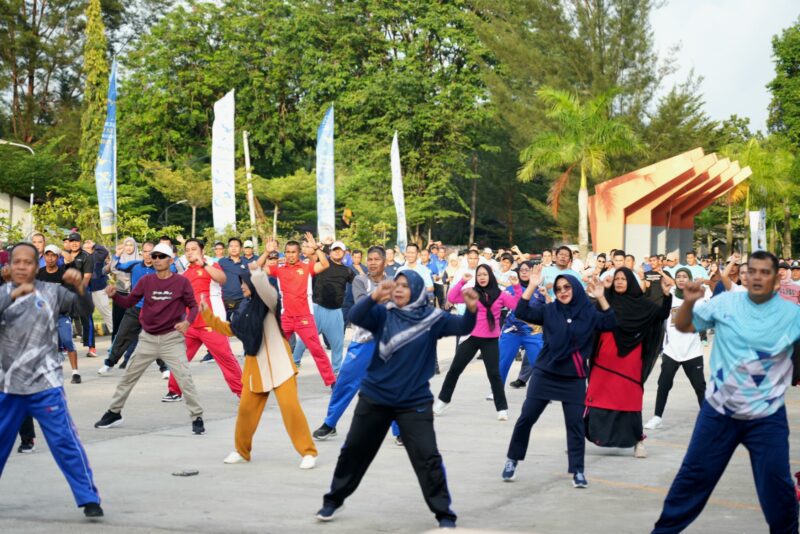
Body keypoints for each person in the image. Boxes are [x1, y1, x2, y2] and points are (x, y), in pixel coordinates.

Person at [316, 270, 478, 528]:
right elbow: (355, 316)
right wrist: (374, 297)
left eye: (405, 286)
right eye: (397, 285)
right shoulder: (383, 313)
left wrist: (471, 309)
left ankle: (444, 513)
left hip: (413, 402)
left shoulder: (433, 319)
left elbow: (464, 326)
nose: (400, 289)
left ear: (415, 289)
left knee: (428, 458)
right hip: (375, 398)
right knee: (353, 452)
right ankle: (333, 499)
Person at [652, 251, 800, 534]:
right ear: (744, 274)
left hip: (767, 417)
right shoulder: (725, 303)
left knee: (778, 490)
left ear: (776, 279)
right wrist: (690, 302)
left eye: (764, 272)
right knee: (691, 480)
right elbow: (684, 325)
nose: (757, 277)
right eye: (751, 271)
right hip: (719, 412)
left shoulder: (793, 315)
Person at [0, 243, 103, 518]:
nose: (22, 267)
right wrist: (11, 298)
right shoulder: (1, 294)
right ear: (8, 267)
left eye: (28, 262)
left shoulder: (52, 292)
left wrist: (80, 287)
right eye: (17, 262)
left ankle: (88, 497)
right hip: (7, 386)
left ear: (37, 267)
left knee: (64, 442)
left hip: (46, 386)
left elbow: (83, 309)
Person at [502, 271, 614, 487]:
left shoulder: (588, 312)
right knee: (526, 418)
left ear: (576, 288)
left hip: (573, 377)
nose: (562, 291)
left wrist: (601, 296)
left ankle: (578, 471)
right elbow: (521, 310)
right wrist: (532, 286)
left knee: (575, 425)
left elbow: (610, 322)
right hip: (546, 374)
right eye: (559, 288)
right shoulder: (550, 310)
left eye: (567, 287)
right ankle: (512, 460)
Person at [200, 263, 318, 468]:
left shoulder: (269, 303)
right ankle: (242, 451)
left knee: (291, 409)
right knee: (246, 412)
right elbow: (230, 330)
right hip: (256, 369)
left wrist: (257, 273)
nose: (242, 287)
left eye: (244, 283)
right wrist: (207, 315)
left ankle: (308, 452)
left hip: (281, 365)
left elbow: (266, 290)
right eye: (241, 284)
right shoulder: (243, 310)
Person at [95, 243, 206, 435]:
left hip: (171, 339)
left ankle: (197, 417)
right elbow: (129, 302)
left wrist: (188, 322)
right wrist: (115, 296)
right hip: (147, 339)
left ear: (171, 260)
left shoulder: (181, 282)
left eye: (161, 256)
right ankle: (114, 412)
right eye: (153, 256)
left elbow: (193, 306)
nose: (156, 260)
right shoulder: (147, 281)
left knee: (185, 379)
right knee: (128, 377)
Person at [313, 246, 403, 441]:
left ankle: (399, 432)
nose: (371, 262)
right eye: (369, 259)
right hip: (362, 342)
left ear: (384, 262)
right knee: (344, 384)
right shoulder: (360, 280)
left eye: (376, 259)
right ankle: (330, 423)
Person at [584, 268, 672, 459]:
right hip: (604, 358)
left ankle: (638, 441)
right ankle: (579, 439)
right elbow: (596, 314)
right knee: (596, 396)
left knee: (630, 398)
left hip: (630, 358)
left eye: (624, 279)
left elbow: (661, 315)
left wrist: (666, 295)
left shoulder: (642, 305)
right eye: (617, 279)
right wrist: (604, 292)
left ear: (631, 281)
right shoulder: (608, 299)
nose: (619, 282)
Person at [435, 264, 521, 420]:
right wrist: (462, 281)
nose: (481, 277)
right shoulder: (471, 293)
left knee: (494, 374)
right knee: (454, 369)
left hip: (491, 340)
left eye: (485, 274)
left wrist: (516, 287)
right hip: (472, 337)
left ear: (491, 276)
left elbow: (517, 305)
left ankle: (501, 409)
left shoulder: (501, 295)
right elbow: (452, 298)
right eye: (479, 275)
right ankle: (443, 400)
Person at [163, 238, 242, 402]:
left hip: (212, 324)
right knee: (179, 359)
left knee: (226, 359)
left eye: (194, 249)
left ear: (202, 251)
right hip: (191, 325)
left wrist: (204, 264)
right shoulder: (186, 273)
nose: (190, 252)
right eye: (187, 250)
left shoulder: (211, 265)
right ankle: (174, 391)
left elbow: (222, 279)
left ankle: (242, 392)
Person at [261, 233, 336, 386]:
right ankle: (269, 379)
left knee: (317, 351)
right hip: (286, 318)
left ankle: (332, 381)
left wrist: (316, 249)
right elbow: (257, 268)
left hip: (304, 318)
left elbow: (325, 264)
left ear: (299, 253)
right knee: (274, 349)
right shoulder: (279, 269)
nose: (290, 255)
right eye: (287, 252)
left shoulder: (307, 267)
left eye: (293, 252)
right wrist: (266, 253)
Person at [644, 268, 707, 430]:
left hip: (692, 351)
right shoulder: (669, 296)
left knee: (700, 386)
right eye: (678, 276)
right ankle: (657, 417)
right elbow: (661, 314)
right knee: (663, 384)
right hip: (672, 350)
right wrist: (665, 296)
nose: (681, 279)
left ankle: (709, 419)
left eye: (685, 277)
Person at [99, 241, 169, 378]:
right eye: (146, 251)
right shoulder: (135, 265)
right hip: (135, 308)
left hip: (154, 311)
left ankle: (165, 368)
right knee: (122, 336)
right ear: (142, 252)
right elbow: (116, 267)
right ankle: (109, 363)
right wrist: (117, 255)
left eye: (151, 252)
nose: (148, 255)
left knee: (157, 340)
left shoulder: (161, 267)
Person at [292, 240, 354, 374]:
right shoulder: (322, 262)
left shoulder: (348, 270)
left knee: (337, 344)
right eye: (334, 249)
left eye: (340, 250)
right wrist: (315, 246)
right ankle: (294, 363)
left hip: (336, 311)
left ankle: (336, 371)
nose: (337, 252)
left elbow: (359, 281)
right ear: (330, 251)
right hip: (317, 308)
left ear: (344, 253)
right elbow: (311, 254)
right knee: (304, 339)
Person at [36, 244, 83, 384]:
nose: (50, 258)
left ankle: (75, 373)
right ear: (43, 257)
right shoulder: (39, 273)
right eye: (47, 255)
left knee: (68, 341)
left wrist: (60, 249)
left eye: (53, 255)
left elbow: (73, 264)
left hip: (62, 315)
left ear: (58, 257)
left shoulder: (64, 272)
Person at [498, 261, 545, 388]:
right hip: (511, 331)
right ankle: (496, 390)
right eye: (521, 270)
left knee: (539, 362)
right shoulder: (510, 289)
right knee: (503, 361)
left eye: (527, 269)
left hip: (533, 332)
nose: (523, 272)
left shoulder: (541, 291)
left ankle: (543, 390)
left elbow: (548, 311)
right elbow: (499, 306)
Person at [62, 232, 95, 357]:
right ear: (68, 243)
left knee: (86, 319)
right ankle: (66, 346)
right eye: (71, 241)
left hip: (82, 291)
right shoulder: (64, 256)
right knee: (65, 319)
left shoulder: (86, 256)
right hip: (67, 292)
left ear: (80, 242)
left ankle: (91, 347)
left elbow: (87, 277)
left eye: (76, 241)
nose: (74, 243)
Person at [108, 237, 140, 340]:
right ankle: (114, 343)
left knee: (133, 322)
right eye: (126, 245)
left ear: (135, 247)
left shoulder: (140, 260)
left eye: (131, 245)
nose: (128, 248)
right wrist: (117, 254)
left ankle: (131, 345)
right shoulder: (119, 259)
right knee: (118, 320)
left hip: (134, 294)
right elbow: (113, 269)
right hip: (120, 293)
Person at [84, 240, 114, 338]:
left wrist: (95, 244)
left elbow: (105, 252)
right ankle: (87, 336)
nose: (88, 250)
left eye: (90, 248)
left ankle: (114, 330)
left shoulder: (97, 257)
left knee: (105, 310)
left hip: (99, 288)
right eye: (86, 248)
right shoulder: (82, 258)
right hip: (86, 289)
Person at [217, 237, 251, 320]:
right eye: (231, 246)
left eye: (236, 246)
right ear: (228, 248)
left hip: (242, 299)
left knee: (241, 325)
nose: (234, 248)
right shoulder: (222, 262)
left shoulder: (247, 263)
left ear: (241, 248)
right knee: (225, 325)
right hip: (225, 298)